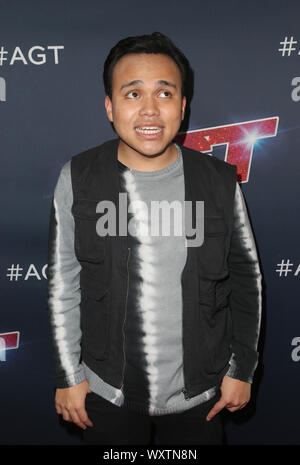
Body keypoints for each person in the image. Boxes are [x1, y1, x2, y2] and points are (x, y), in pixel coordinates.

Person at [46, 31, 262, 445]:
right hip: (105, 391)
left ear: (182, 106)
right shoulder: (78, 176)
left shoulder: (218, 180)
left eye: (164, 93)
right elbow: (63, 285)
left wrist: (242, 370)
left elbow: (246, 278)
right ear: (110, 106)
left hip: (201, 392)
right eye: (132, 94)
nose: (149, 110)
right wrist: (68, 376)